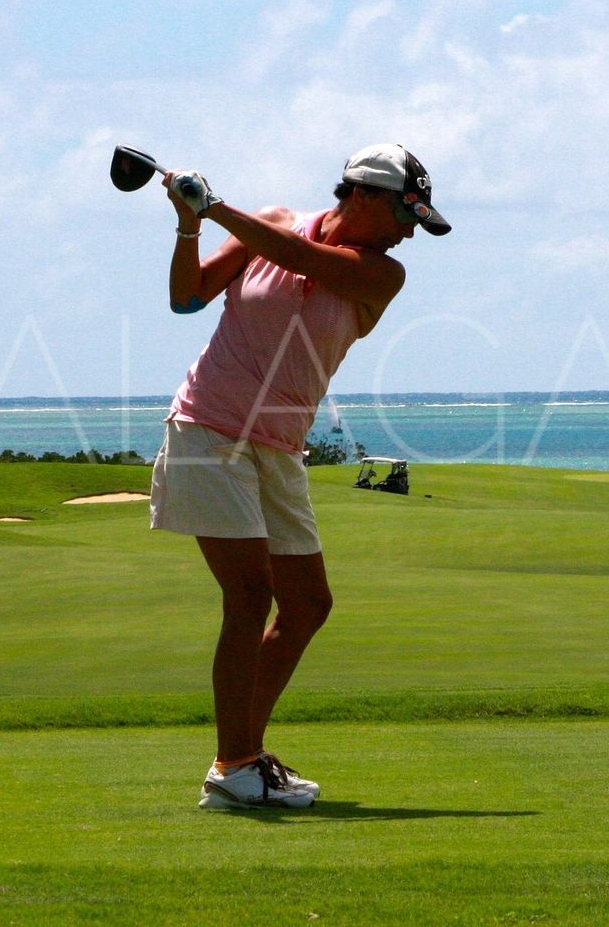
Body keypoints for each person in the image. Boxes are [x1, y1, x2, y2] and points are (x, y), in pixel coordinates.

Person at [150, 144, 450, 810]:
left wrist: (216, 205)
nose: (409, 233)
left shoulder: (382, 275)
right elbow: (187, 297)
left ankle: (241, 759)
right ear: (365, 196)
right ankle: (235, 770)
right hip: (208, 427)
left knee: (308, 604)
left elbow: (302, 259)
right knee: (251, 595)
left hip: (279, 447)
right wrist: (189, 222)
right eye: (406, 214)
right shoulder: (274, 222)